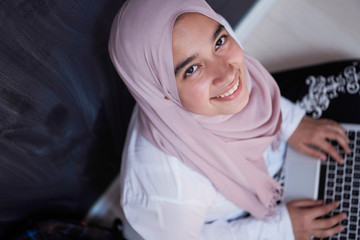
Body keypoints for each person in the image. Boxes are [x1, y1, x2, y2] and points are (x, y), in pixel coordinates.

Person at [108, 0, 351, 239]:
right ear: (160, 93)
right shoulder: (163, 190)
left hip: (272, 153)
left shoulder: (212, 45)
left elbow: (247, 78)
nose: (227, 73)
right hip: (238, 219)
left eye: (219, 42)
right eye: (192, 69)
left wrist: (291, 122)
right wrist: (282, 229)